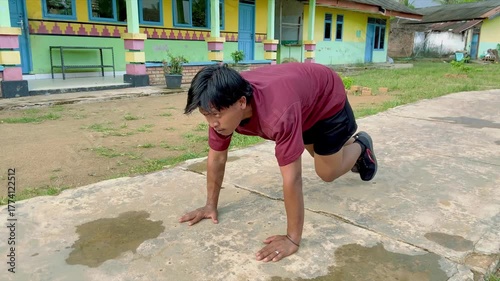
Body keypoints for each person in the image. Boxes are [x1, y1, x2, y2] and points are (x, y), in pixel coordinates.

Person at [179, 62, 377, 262]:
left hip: (325, 97)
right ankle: (343, 145)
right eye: (206, 115)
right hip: (301, 100)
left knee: (326, 172)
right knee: (321, 154)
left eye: (217, 115)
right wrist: (209, 205)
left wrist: (292, 238)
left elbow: (293, 178)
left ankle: (361, 144)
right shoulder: (223, 102)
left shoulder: (278, 114)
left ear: (241, 102)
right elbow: (217, 157)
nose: (212, 123)